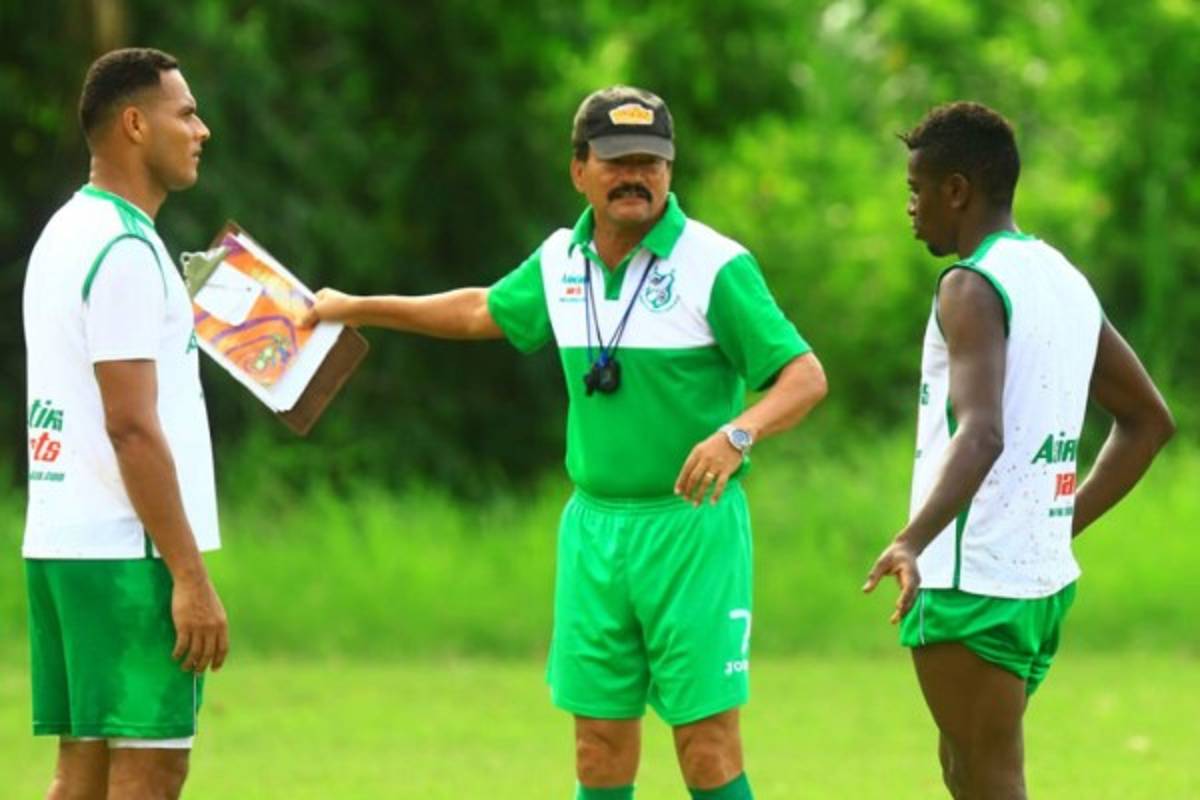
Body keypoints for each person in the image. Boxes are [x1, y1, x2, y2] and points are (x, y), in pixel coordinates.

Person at [304, 86, 827, 800]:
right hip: (594, 533)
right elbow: (478, 309)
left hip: (691, 532)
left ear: (671, 171)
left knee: (706, 745)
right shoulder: (561, 260)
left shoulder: (716, 265)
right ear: (579, 168)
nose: (635, 176)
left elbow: (804, 376)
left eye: (651, 160)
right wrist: (355, 307)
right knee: (597, 743)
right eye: (616, 160)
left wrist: (738, 434)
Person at [863, 102, 1175, 799]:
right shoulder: (1062, 277)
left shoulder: (969, 285)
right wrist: (1058, 525)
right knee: (969, 772)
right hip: (1038, 582)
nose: (910, 209)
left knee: (990, 780)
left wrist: (911, 540)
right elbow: (1148, 422)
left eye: (916, 190)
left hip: (972, 583)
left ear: (957, 190)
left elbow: (982, 433)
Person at [22, 47, 228, 800]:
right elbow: (131, 426)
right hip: (125, 552)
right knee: (151, 771)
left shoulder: (66, 232)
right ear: (136, 124)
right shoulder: (125, 249)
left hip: (59, 540)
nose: (201, 130)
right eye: (186, 113)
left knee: (81, 776)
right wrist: (189, 575)